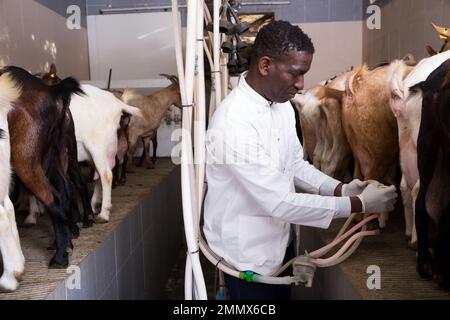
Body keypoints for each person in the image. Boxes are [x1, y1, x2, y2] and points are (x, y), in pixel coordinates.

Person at [203, 20, 397, 300]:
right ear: (265, 65)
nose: (302, 84)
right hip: (246, 257)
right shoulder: (234, 122)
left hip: (279, 243)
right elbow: (279, 201)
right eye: (295, 74)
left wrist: (342, 189)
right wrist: (360, 204)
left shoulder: (280, 105)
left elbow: (295, 165)